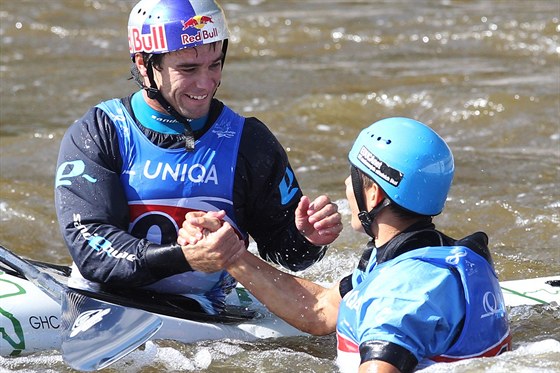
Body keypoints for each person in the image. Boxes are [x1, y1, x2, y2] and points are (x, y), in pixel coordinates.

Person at [54, 0, 342, 315]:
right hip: (104, 298)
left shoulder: (250, 142)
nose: (205, 84)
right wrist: (186, 257)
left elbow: (288, 258)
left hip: (202, 312)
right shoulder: (99, 132)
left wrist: (306, 239)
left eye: (214, 65)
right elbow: (92, 249)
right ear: (144, 64)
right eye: (188, 69)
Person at [178, 117, 512, 372]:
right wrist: (234, 255)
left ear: (374, 194)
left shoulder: (397, 296)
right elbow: (321, 311)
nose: (345, 186)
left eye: (353, 177)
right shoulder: (424, 257)